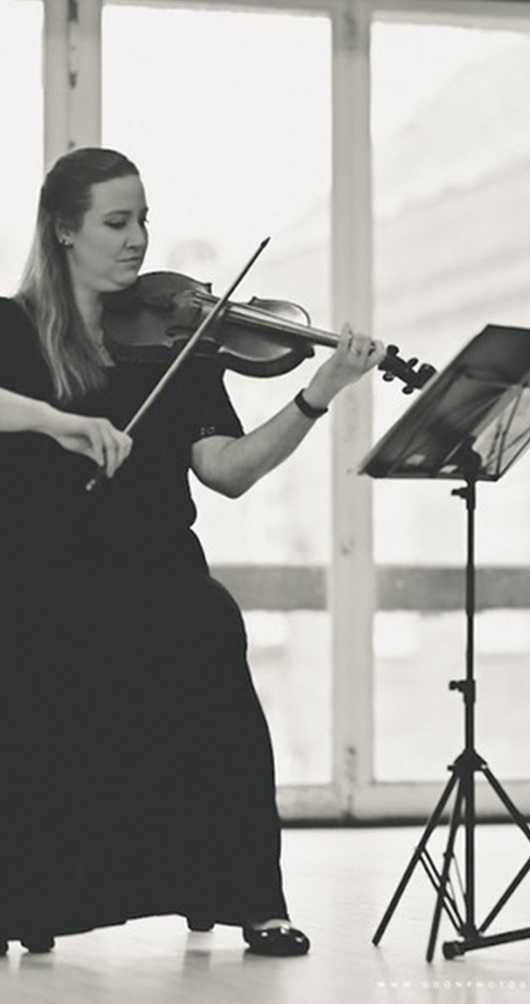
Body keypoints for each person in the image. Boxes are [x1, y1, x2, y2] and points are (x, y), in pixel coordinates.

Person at [0, 147, 384, 957]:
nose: (138, 239)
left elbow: (226, 473)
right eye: (117, 221)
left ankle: (248, 894)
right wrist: (56, 420)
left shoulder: (185, 341)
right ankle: (28, 896)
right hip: (43, 575)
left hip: (158, 570)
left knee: (207, 632)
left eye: (144, 219)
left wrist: (316, 396)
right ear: (65, 230)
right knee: (38, 656)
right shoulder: (12, 329)